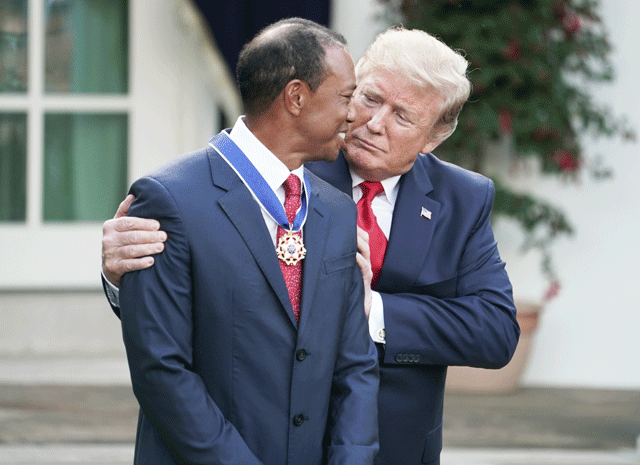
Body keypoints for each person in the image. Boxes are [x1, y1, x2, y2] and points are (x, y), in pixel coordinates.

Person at [103, 26, 520, 465]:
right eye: (369, 98)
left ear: (434, 137)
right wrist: (121, 276)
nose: (373, 124)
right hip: (252, 440)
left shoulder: (463, 198)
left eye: (402, 116)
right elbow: (193, 305)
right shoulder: (284, 164)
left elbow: (495, 330)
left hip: (393, 446)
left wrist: (369, 310)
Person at [106, 18, 379, 465]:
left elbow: (355, 365)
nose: (355, 115)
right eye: (347, 97)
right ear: (295, 97)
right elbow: (162, 371)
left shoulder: (336, 209)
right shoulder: (168, 200)